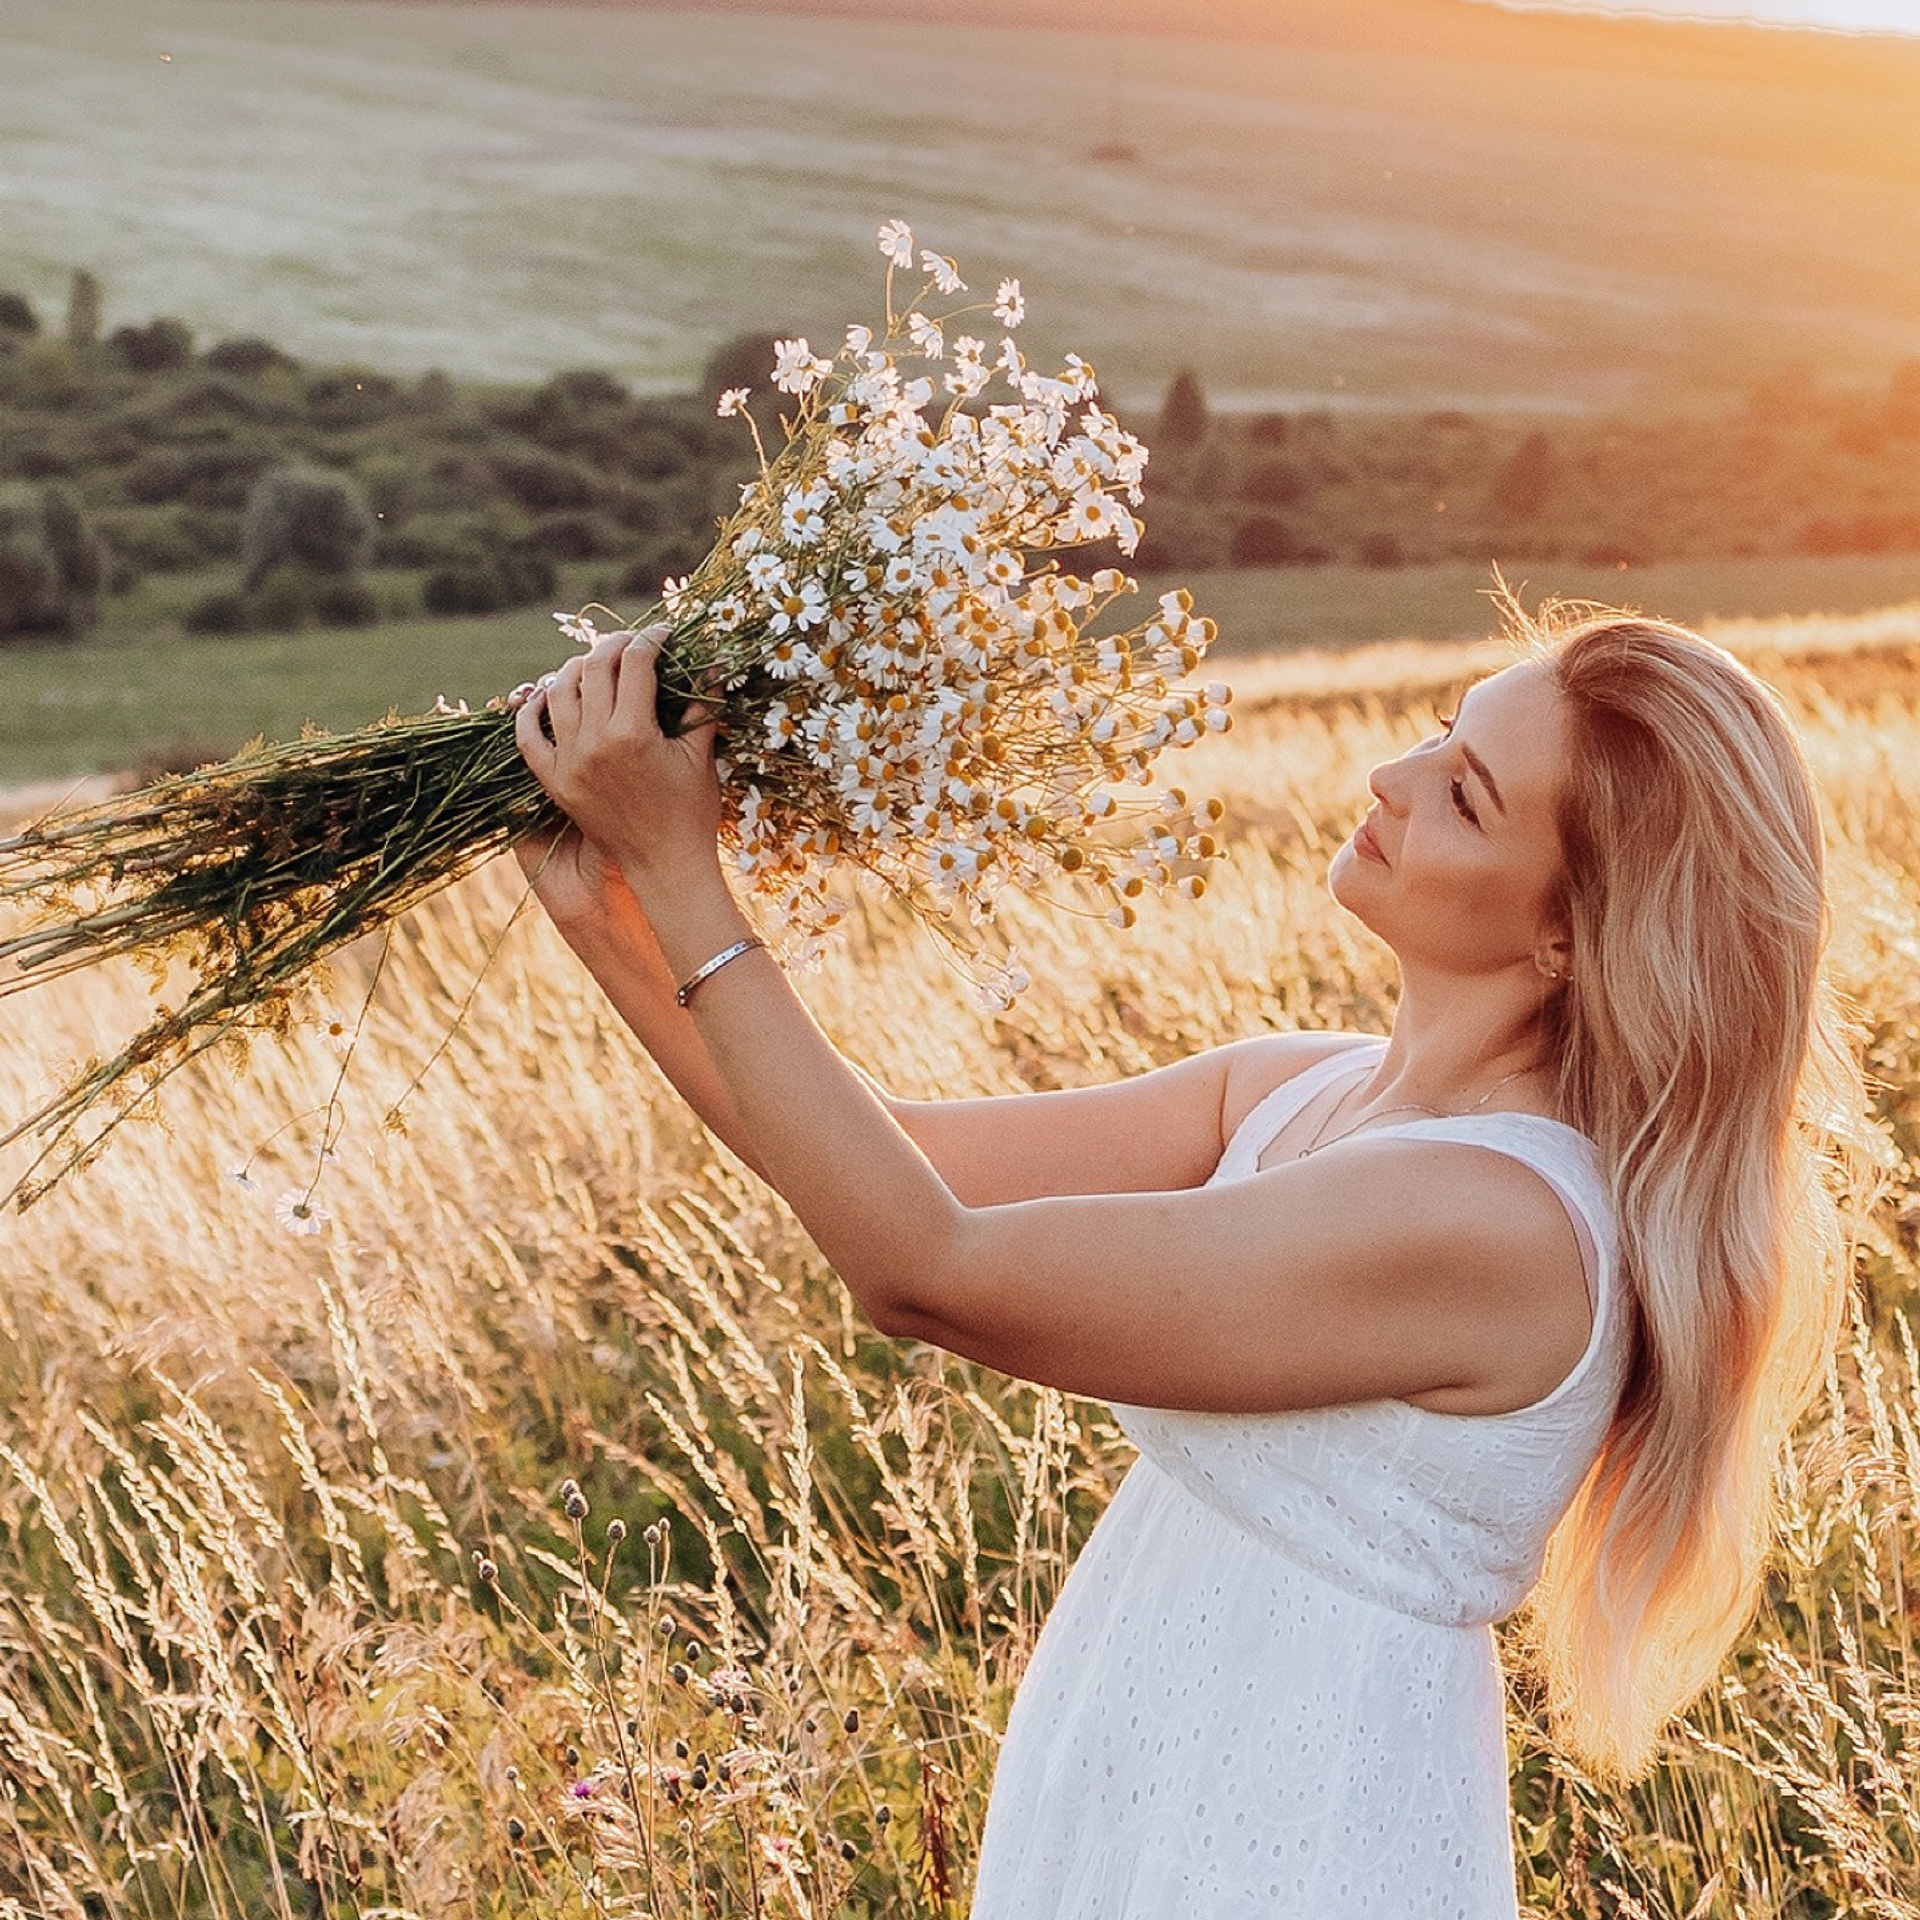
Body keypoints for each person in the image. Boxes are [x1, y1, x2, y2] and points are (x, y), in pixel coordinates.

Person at [508, 598, 1865, 1917]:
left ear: (1572, 933)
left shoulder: (1500, 1221)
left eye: (1464, 796)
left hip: (1294, 1824)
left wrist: (685, 875)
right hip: (1135, 1759)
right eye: (1440, 732)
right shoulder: (1298, 1090)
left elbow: (923, 1265)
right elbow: (874, 1159)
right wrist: (610, 916)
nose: (1392, 778)